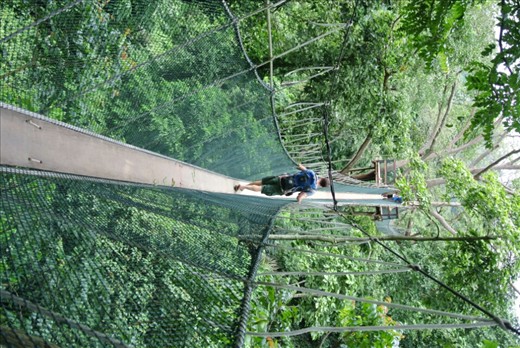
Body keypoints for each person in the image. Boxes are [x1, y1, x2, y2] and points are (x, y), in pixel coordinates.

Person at [234, 164, 330, 203]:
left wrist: (298, 166)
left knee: (261, 182)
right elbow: (300, 196)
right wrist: (299, 201)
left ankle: (245, 186)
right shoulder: (312, 190)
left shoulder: (312, 173)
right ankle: (243, 187)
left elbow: (299, 167)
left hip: (282, 178)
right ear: (322, 186)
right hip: (283, 189)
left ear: (322, 178)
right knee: (262, 189)